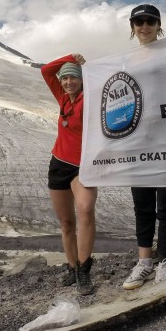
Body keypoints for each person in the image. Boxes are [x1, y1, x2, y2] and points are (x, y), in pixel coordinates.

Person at [121, 4, 166, 289]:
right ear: (132, 27)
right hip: (139, 142)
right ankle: (144, 261)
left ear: (159, 24)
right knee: (142, 205)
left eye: (150, 21)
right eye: (138, 22)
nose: (144, 26)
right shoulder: (124, 61)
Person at [41, 54, 98, 295]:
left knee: (85, 209)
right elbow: (46, 70)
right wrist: (71, 57)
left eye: (73, 77)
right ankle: (72, 268)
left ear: (82, 80)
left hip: (83, 166)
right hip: (59, 165)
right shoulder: (63, 98)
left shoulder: (90, 99)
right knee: (66, 222)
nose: (68, 82)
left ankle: (84, 270)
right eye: (64, 78)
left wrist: (83, 65)